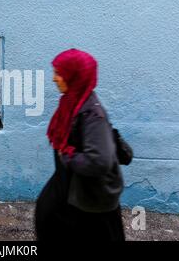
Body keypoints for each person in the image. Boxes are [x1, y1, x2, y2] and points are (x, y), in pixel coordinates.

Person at [35, 48, 125, 241]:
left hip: (92, 196)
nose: (54, 79)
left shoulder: (92, 116)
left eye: (59, 73)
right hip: (72, 186)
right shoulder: (71, 103)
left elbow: (100, 161)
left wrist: (67, 157)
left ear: (74, 75)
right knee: (49, 218)